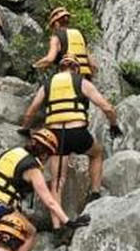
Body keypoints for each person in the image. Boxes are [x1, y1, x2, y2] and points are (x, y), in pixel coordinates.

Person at [20, 52, 122, 208]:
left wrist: (25, 128)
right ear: (76, 68)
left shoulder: (48, 84)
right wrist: (114, 125)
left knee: (58, 180)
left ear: (60, 68)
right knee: (97, 153)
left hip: (55, 135)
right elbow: (107, 108)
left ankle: (57, 218)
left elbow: (32, 109)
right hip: (77, 133)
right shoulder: (81, 82)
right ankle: (95, 193)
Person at [0, 127, 73, 251]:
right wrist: (67, 221)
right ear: (45, 155)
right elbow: (49, 201)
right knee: (31, 233)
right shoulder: (32, 169)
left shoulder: (13, 152)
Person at [33, 6, 96, 79]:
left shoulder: (56, 37)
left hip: (68, 78)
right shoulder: (79, 34)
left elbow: (49, 59)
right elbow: (93, 64)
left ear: (56, 23)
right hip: (84, 79)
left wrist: (35, 65)